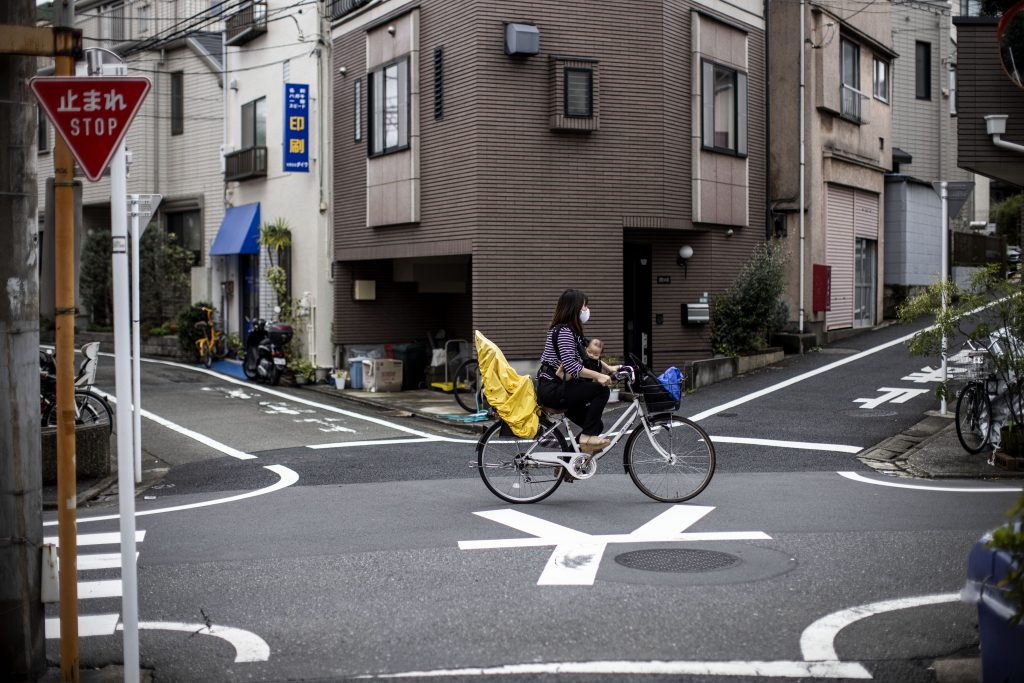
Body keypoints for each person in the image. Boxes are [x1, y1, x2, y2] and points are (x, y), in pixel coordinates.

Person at [537, 289, 613, 453]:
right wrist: (599, 376)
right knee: (601, 391)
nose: (586, 310)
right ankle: (586, 438)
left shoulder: (573, 333)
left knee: (595, 425)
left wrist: (610, 369)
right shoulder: (563, 332)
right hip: (553, 389)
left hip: (562, 387)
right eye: (584, 306)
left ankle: (566, 463)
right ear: (575, 308)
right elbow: (571, 366)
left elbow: (589, 357)